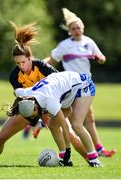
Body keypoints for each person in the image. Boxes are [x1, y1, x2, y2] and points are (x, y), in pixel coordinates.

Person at [0, 21, 74, 167]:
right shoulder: (14, 76)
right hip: (29, 109)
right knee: (0, 139)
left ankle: (89, 160)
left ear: (30, 58)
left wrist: (48, 110)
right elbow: (22, 98)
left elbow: (59, 85)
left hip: (50, 105)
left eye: (23, 62)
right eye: (17, 63)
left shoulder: (42, 67)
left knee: (71, 136)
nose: (21, 66)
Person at [45, 8, 116, 158]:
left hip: (85, 85)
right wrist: (35, 65)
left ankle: (95, 149)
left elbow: (102, 57)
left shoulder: (89, 42)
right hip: (70, 86)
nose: (76, 30)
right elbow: (50, 61)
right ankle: (86, 150)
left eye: (79, 27)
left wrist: (100, 58)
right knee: (75, 122)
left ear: (83, 28)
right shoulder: (65, 45)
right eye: (73, 28)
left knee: (88, 118)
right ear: (69, 31)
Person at [14, 70, 101, 167]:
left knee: (77, 125)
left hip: (83, 85)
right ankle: (63, 157)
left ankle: (94, 159)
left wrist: (68, 149)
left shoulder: (49, 101)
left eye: (32, 115)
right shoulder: (27, 93)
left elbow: (64, 126)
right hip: (67, 88)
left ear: (35, 107)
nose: (32, 118)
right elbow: (16, 91)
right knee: (52, 125)